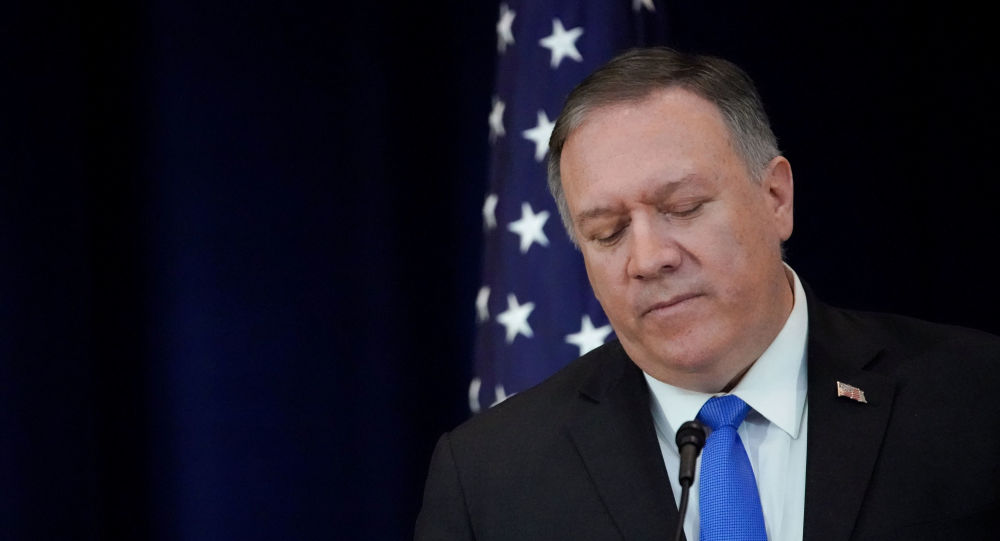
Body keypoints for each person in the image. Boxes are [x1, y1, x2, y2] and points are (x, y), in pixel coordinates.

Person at [415, 47, 1000, 540]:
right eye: (608, 232)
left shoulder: (976, 396)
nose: (649, 259)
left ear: (775, 198)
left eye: (684, 207)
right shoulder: (488, 479)